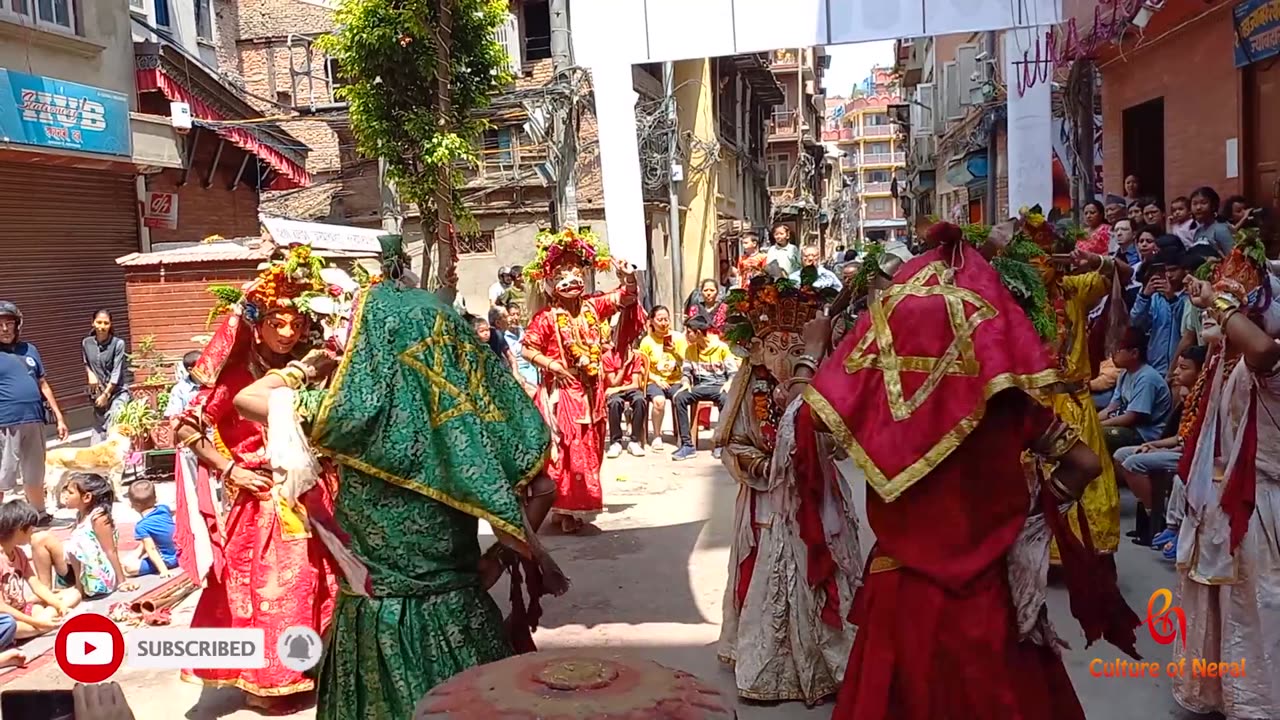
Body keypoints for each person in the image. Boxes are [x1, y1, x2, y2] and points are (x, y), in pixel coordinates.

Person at [793, 221, 1141, 720]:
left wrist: (811, 352)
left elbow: (801, 424)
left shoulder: (876, 402)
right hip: (987, 589)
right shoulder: (1009, 402)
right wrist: (1032, 521)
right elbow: (1083, 462)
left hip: (901, 594)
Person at [230, 234, 568, 720]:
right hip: (460, 612)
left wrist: (308, 367)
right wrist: (496, 559)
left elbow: (249, 399)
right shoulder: (470, 415)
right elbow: (544, 487)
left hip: (373, 620)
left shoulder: (351, 414)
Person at [171, 243, 339, 712]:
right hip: (263, 496)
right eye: (276, 323)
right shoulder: (235, 377)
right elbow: (186, 426)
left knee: (323, 582)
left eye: (296, 324)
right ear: (255, 324)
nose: (287, 333)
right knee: (277, 586)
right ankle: (270, 678)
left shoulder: (310, 368)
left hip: (314, 489)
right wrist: (231, 469)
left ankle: (314, 669)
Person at [713, 270, 857, 705]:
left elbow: (841, 439)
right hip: (766, 501)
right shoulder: (748, 387)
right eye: (775, 349)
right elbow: (730, 443)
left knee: (824, 569)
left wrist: (812, 448)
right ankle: (769, 664)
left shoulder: (815, 388)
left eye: (796, 350)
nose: (783, 360)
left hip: (816, 495)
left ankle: (826, 661)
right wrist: (768, 467)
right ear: (757, 351)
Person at [1172, 246, 1280, 720]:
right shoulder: (1228, 365)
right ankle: (1226, 695)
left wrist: (1219, 298)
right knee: (1228, 603)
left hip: (1265, 502)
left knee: (1258, 608)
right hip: (1232, 498)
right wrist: (1211, 298)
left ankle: (1258, 702)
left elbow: (1258, 349)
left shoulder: (1268, 368)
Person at [520, 227, 644, 534]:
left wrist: (627, 277)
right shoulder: (547, 317)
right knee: (568, 452)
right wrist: (554, 366)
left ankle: (575, 508)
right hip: (563, 392)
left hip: (593, 391)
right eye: (561, 276)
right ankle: (566, 510)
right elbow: (527, 348)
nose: (570, 281)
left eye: (576, 273)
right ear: (549, 284)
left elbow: (626, 298)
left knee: (591, 449)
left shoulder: (593, 306)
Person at [1112, 344, 1206, 557]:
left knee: (1133, 462)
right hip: (1177, 446)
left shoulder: (1204, 396)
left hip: (1193, 453)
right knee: (1122, 455)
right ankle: (1150, 510)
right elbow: (1180, 435)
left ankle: (1157, 514)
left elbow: (1189, 440)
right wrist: (1155, 445)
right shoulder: (1187, 393)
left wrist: (1156, 445)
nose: (1176, 372)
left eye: (1184, 368)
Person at [0, 301, 66, 524]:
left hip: (34, 419)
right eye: (0, 324)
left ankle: (39, 512)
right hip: (5, 421)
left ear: (17, 326)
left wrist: (59, 417)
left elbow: (43, 384)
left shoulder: (30, 350)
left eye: (9, 323)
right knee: (4, 471)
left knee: (35, 470)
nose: (5, 329)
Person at [29, 473, 136, 599]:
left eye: (70, 492)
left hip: (92, 573)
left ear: (86, 497)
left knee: (42, 539)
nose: (65, 496)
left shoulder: (99, 518)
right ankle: (45, 589)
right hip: (73, 566)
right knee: (39, 539)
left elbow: (110, 550)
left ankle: (72, 589)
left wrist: (121, 581)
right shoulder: (81, 514)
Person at [0, 499, 79, 639]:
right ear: (20, 529)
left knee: (73, 595)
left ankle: (41, 626)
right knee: (13, 626)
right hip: (6, 619)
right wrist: (37, 623)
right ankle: (40, 628)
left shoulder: (18, 553)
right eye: (31, 528)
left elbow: (36, 584)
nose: (33, 532)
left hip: (21, 609)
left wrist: (59, 605)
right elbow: (2, 607)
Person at [671, 315, 736, 461]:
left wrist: (727, 384)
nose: (686, 335)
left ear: (698, 333)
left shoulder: (721, 348)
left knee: (725, 399)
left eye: (689, 332)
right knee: (680, 397)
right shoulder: (690, 350)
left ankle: (721, 444)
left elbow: (732, 373)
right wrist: (686, 383)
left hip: (718, 385)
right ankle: (687, 445)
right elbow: (686, 372)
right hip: (700, 386)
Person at [1099, 330, 1174, 454]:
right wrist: (1093, 421)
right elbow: (1111, 408)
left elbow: (1131, 418)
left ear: (1134, 353)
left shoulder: (1147, 379)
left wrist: (1099, 426)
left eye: (1118, 350)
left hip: (1143, 433)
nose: (1113, 355)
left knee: (1099, 434)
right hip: (1127, 426)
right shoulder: (1124, 373)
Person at [1130, 247, 1190, 377]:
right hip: (1155, 367)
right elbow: (1136, 324)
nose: (1169, 275)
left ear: (1184, 270)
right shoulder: (1155, 297)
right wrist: (1144, 296)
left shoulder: (1191, 297)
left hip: (1180, 370)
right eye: (1166, 271)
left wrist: (1172, 298)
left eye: (1173, 270)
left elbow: (1185, 328)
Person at [638, 306, 687, 451]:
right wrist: (655, 379)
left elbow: (686, 362)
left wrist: (675, 352)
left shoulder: (678, 338)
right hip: (655, 380)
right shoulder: (647, 341)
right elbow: (640, 365)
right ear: (652, 321)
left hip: (676, 379)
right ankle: (657, 436)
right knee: (658, 402)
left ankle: (683, 436)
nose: (664, 323)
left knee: (681, 398)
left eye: (666, 319)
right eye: (660, 320)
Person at [82, 310, 130, 444]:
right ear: (93, 323)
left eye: (106, 323)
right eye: (99, 322)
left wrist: (106, 394)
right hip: (97, 393)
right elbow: (86, 362)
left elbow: (117, 371)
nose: (102, 326)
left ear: (111, 325)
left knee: (113, 427)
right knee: (98, 432)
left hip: (117, 392)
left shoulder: (118, 344)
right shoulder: (87, 343)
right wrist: (90, 374)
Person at [121, 481, 177, 578]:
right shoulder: (164, 509)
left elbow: (151, 549)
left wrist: (163, 570)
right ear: (156, 499)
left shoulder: (142, 526)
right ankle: (133, 557)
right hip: (179, 553)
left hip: (167, 560)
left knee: (129, 569)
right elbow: (174, 510)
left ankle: (132, 561)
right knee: (148, 538)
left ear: (131, 505)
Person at [604, 335, 647, 459]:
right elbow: (613, 382)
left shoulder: (635, 357)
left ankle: (634, 441)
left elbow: (635, 384)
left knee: (640, 400)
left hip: (629, 389)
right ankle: (615, 442)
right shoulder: (607, 356)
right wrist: (624, 366)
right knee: (615, 403)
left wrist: (618, 388)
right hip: (615, 391)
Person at [503, 304, 539, 393]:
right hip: (517, 372)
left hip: (532, 368)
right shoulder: (503, 336)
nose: (515, 318)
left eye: (518, 314)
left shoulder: (525, 332)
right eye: (512, 314)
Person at [1189, 186, 1235, 257]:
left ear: (1213, 206)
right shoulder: (1198, 232)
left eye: (1203, 203)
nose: (1198, 208)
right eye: (1195, 204)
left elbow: (1232, 256)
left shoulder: (1221, 229)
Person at [162, 351, 202, 418]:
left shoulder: (218, 383)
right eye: (203, 365)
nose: (208, 366)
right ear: (190, 370)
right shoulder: (180, 390)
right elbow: (173, 416)